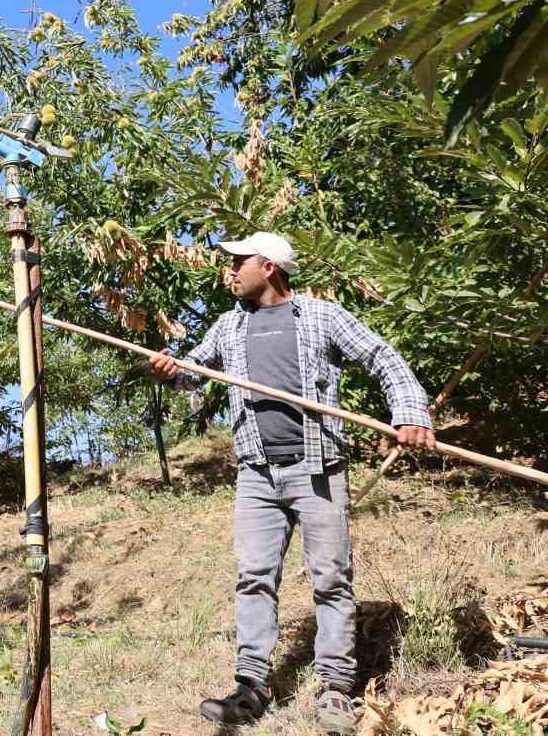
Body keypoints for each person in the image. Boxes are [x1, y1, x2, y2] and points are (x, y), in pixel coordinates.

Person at [146, 231, 435, 734]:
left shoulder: (321, 317)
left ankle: (336, 691)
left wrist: (410, 415)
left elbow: (384, 359)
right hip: (256, 474)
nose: (230, 271)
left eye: (239, 262)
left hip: (317, 469)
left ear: (270, 267)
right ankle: (251, 687)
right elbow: (196, 373)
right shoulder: (229, 326)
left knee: (330, 581)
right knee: (254, 578)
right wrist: (171, 371)